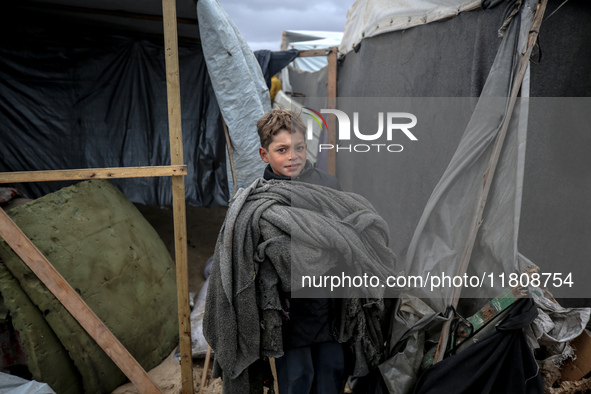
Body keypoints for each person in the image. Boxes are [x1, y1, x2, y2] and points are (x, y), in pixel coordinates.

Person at [256, 108, 347, 394]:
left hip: (328, 303)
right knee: (297, 379)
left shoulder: (329, 186)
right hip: (288, 312)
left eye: (298, 147)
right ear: (264, 154)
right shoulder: (260, 199)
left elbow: (347, 238)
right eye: (281, 150)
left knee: (331, 374)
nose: (292, 156)